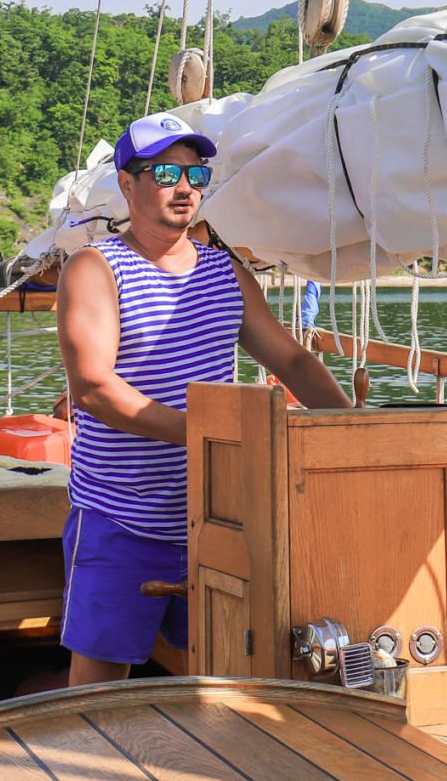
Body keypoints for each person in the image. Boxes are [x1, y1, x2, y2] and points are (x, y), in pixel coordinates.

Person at [56, 112, 351, 686]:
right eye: (166, 173)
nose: (185, 187)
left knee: (227, 668)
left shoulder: (225, 273)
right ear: (127, 184)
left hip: (216, 513)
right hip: (121, 514)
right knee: (100, 679)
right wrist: (207, 435)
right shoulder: (96, 268)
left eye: (196, 175)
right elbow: (93, 389)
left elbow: (292, 362)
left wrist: (353, 430)